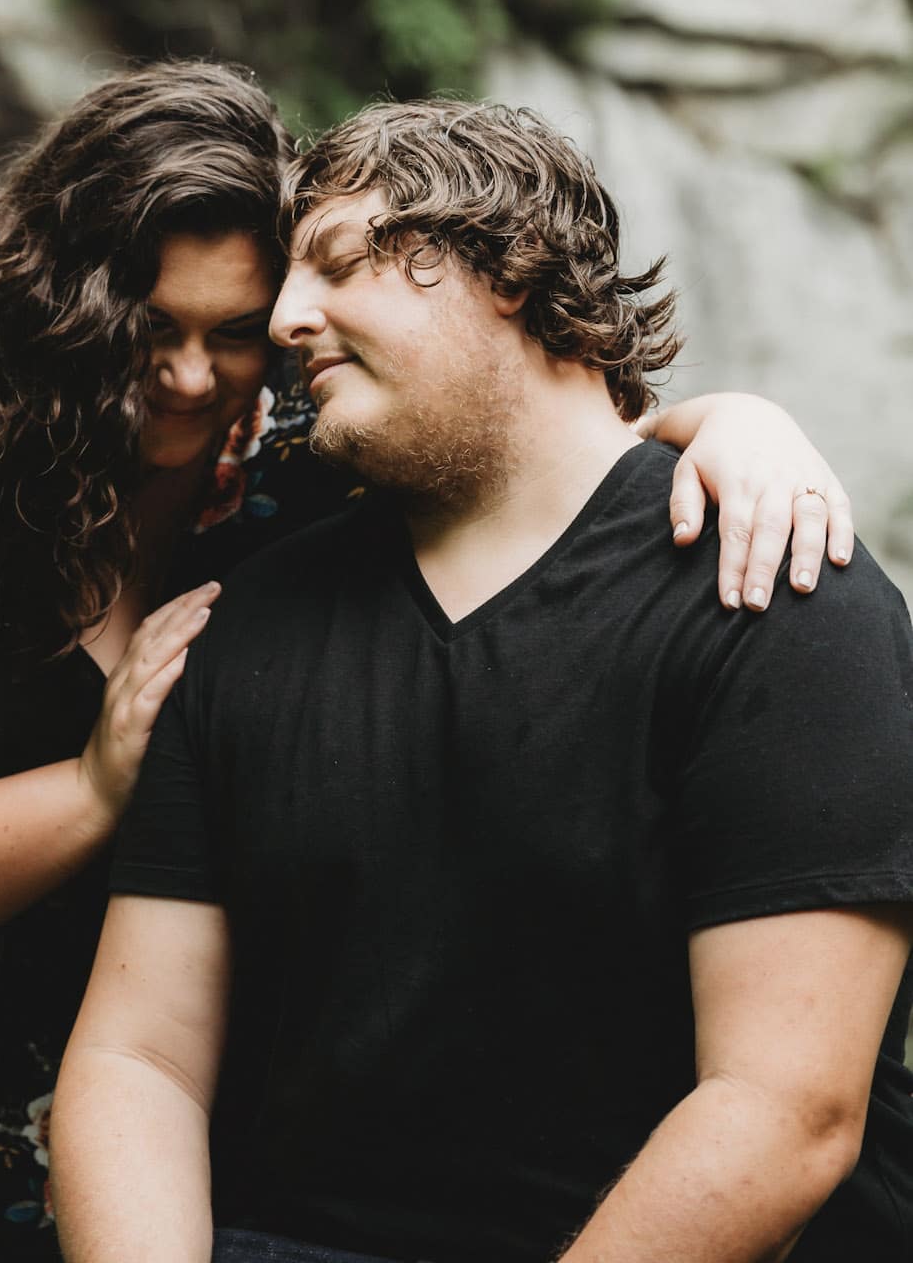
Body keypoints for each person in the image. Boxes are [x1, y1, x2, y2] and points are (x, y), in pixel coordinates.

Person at [0, 63, 854, 1263]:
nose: (188, 375)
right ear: (61, 305)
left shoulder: (304, 430)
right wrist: (93, 791)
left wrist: (737, 422)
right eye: (144, 330)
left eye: (232, 330)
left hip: (272, 1122)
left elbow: (533, 428)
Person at [51, 98, 913, 1263]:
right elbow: (136, 1057)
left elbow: (787, 1111)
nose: (286, 318)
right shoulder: (246, 616)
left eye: (340, 264)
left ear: (505, 269)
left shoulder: (778, 596)